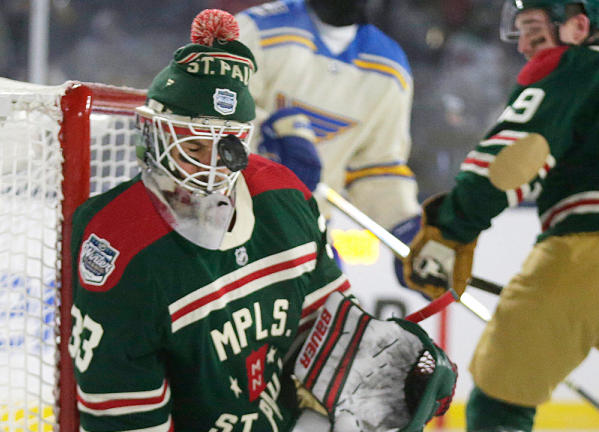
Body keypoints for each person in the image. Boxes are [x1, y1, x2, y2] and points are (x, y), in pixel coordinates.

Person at [69, 9, 455, 432]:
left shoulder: (283, 197)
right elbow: (125, 414)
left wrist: (384, 369)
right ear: (156, 134)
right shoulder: (119, 242)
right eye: (194, 146)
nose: (211, 168)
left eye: (227, 147)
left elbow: (328, 337)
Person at [402, 1, 599, 431]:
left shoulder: (576, 66)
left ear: (579, 26)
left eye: (534, 29)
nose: (525, 44)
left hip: (586, 250)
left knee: (500, 399)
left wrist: (449, 231)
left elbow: (511, 162)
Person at [234, 0, 421, 287]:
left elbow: (377, 167)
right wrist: (266, 141)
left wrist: (407, 230)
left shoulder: (390, 67)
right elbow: (210, 110)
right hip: (229, 218)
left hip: (307, 235)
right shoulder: (256, 29)